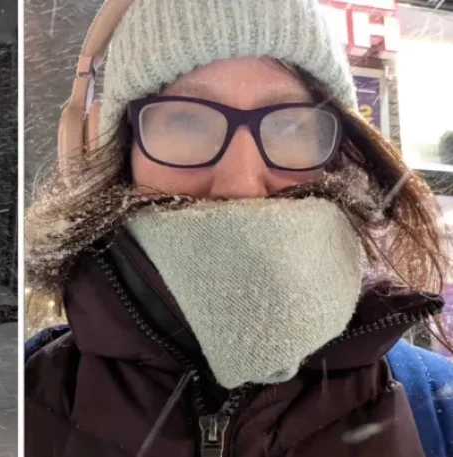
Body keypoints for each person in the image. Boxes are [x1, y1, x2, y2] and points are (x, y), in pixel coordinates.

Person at [23, 0, 453, 456]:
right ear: (113, 151)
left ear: (337, 155)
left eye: (290, 125)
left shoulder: (438, 409)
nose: (241, 182)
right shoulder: (29, 396)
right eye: (187, 121)